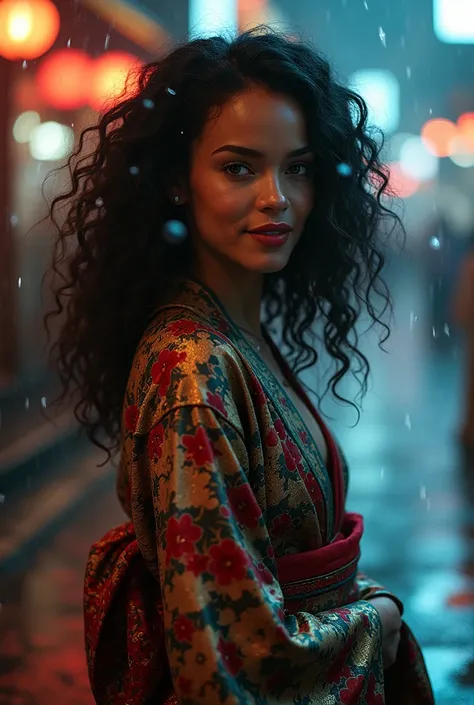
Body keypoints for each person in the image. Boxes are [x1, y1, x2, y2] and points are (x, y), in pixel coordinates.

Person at [45, 28, 434, 705]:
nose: (277, 196)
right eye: (239, 167)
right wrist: (376, 618)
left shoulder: (232, 337)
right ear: (175, 181)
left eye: (300, 167)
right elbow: (234, 660)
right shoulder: (194, 368)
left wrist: (348, 600)